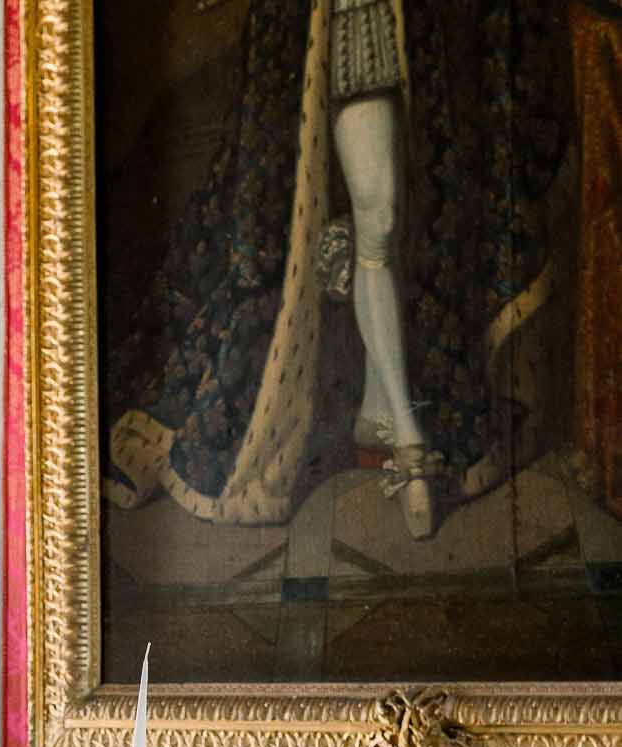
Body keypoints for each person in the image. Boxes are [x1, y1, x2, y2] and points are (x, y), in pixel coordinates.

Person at [102, 0, 573, 542]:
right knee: (355, 222)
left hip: (409, 30)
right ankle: (409, 442)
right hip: (322, 30)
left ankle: (385, 409)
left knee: (386, 219)